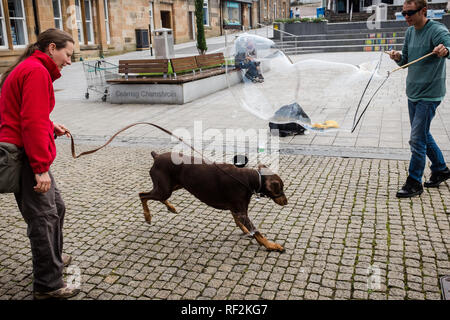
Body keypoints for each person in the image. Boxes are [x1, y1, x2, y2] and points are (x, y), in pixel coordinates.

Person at [0, 28, 79, 299]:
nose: (69, 61)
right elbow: (30, 122)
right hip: (25, 158)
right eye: (67, 54)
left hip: (25, 154)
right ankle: (48, 284)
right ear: (51, 48)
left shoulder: (30, 66)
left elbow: (26, 113)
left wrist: (49, 124)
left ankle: (53, 258)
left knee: (56, 207)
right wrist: (40, 168)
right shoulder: (36, 72)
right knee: (43, 218)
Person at [388, 0, 450, 198]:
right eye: (403, 13)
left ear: (424, 11)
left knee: (416, 139)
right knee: (422, 134)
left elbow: (449, 45)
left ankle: (414, 181)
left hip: (429, 94)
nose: (405, 17)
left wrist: (445, 50)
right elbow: (406, 61)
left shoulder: (437, 30)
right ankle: (440, 169)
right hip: (413, 92)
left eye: (410, 13)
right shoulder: (410, 31)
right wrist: (398, 56)